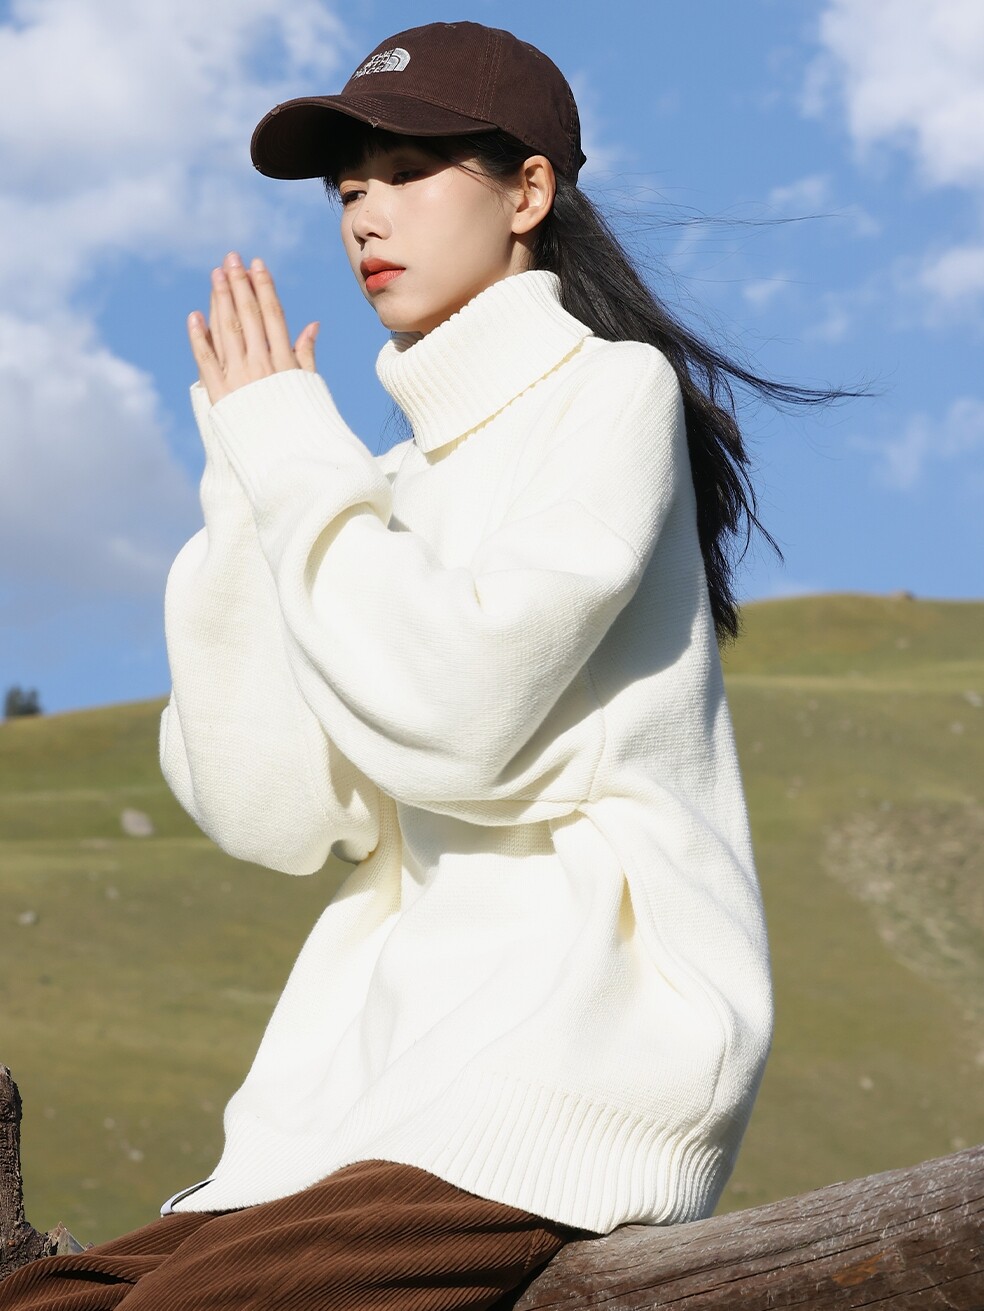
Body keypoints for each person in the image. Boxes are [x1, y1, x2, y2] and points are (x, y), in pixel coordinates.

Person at [0, 20, 793, 1311]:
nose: (366, 212)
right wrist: (251, 489)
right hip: (362, 1099)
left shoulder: (612, 397)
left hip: (564, 1066)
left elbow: (458, 714)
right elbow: (282, 815)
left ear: (528, 193)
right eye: (347, 187)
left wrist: (296, 462)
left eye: (411, 171)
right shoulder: (367, 489)